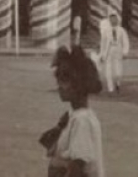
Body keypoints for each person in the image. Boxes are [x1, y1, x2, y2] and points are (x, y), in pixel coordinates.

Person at [41, 45, 104, 177]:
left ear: (79, 84)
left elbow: (77, 167)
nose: (59, 87)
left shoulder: (81, 120)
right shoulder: (73, 115)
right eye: (58, 81)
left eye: (64, 81)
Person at [98, 14, 130, 93]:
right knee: (108, 69)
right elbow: (103, 43)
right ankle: (110, 88)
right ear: (109, 20)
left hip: (118, 49)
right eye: (111, 19)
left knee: (118, 68)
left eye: (115, 19)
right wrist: (102, 54)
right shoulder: (106, 31)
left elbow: (126, 42)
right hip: (109, 50)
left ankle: (118, 83)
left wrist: (125, 52)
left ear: (117, 20)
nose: (113, 21)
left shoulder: (121, 30)